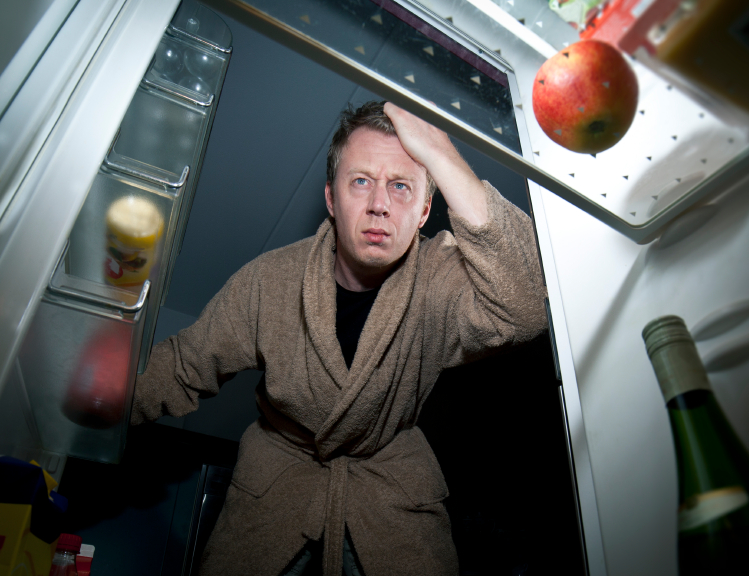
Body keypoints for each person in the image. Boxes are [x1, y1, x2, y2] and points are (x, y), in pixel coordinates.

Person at [131, 100, 547, 576]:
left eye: (401, 186)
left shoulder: (439, 279)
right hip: (273, 488)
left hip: (394, 492)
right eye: (361, 181)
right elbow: (182, 366)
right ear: (331, 199)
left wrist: (441, 154)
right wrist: (90, 399)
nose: (379, 204)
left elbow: (526, 307)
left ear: (424, 211)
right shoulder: (269, 280)